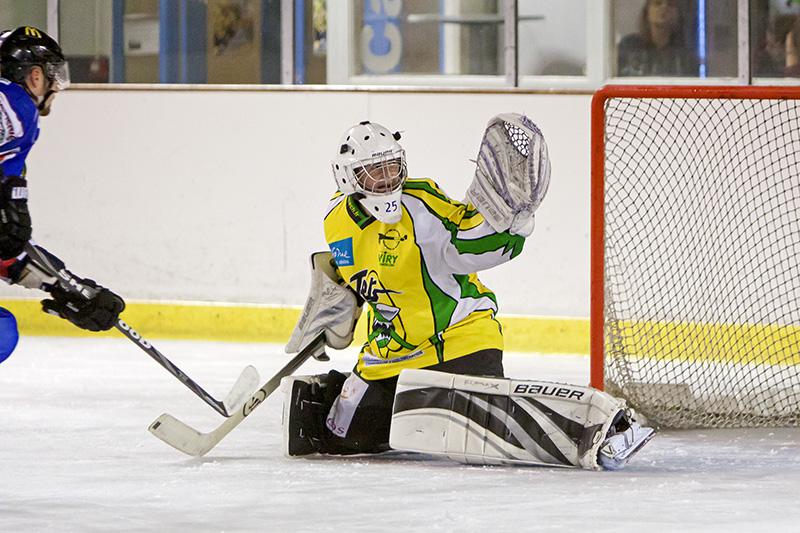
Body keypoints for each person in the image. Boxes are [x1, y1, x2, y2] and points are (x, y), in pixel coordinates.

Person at [281, 115, 655, 471]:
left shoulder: (419, 203)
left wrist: (510, 224)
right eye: (374, 171)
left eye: (392, 167)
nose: (387, 178)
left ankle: (605, 428)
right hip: (392, 353)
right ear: (348, 177)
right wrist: (332, 311)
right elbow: (346, 271)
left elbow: (467, 242)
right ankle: (336, 391)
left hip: (461, 338)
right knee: (345, 437)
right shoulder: (335, 219)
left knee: (482, 426)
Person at [0, 26, 124, 332]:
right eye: (52, 74)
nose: (56, 85)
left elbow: (7, 244)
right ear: (35, 76)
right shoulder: (15, 105)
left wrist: (64, 285)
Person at [617, 0, 699, 77]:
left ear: (677, 14)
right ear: (647, 12)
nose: (664, 7)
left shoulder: (686, 56)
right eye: (657, 3)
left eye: (670, 4)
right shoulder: (628, 47)